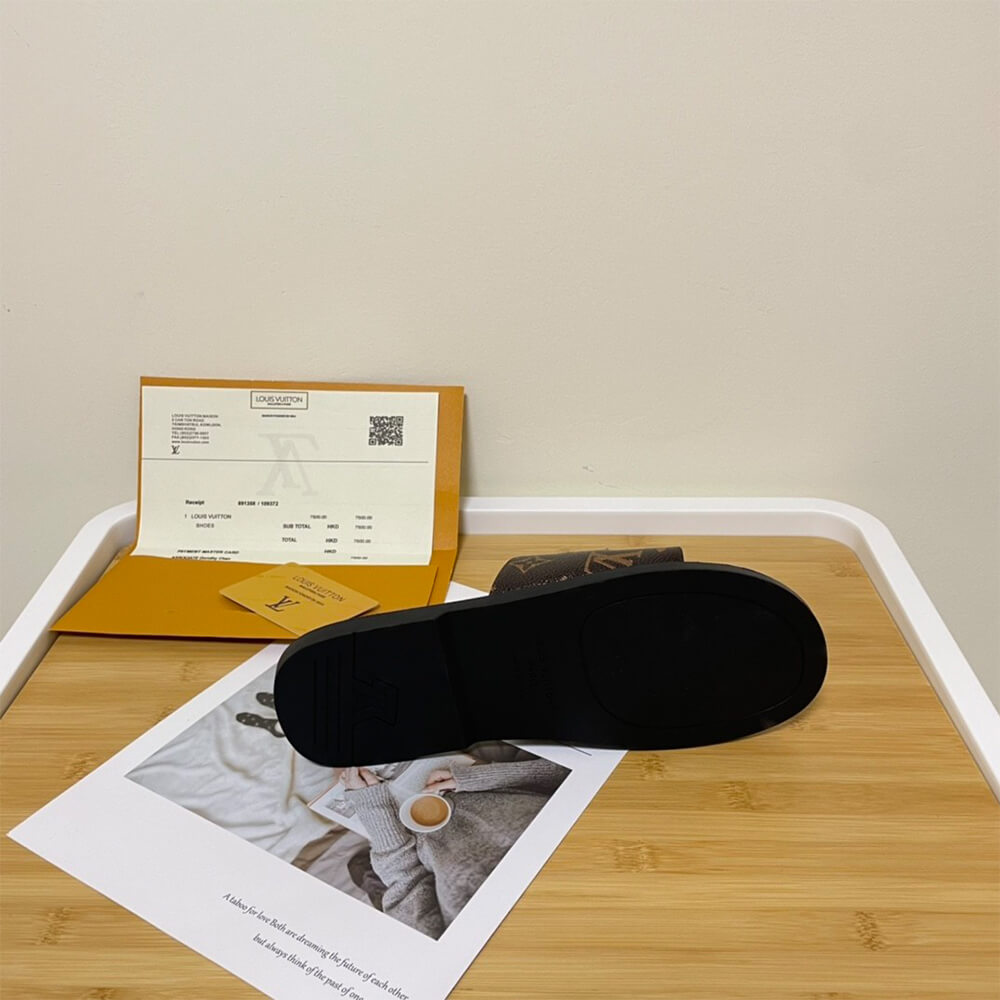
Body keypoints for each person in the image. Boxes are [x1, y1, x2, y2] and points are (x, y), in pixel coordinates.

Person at [342, 752, 568, 939]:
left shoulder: (463, 943)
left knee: (366, 875)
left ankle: (368, 874)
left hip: (418, 850)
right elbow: (570, 776)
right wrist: (479, 777)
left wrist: (373, 806)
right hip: (482, 779)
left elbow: (406, 886)